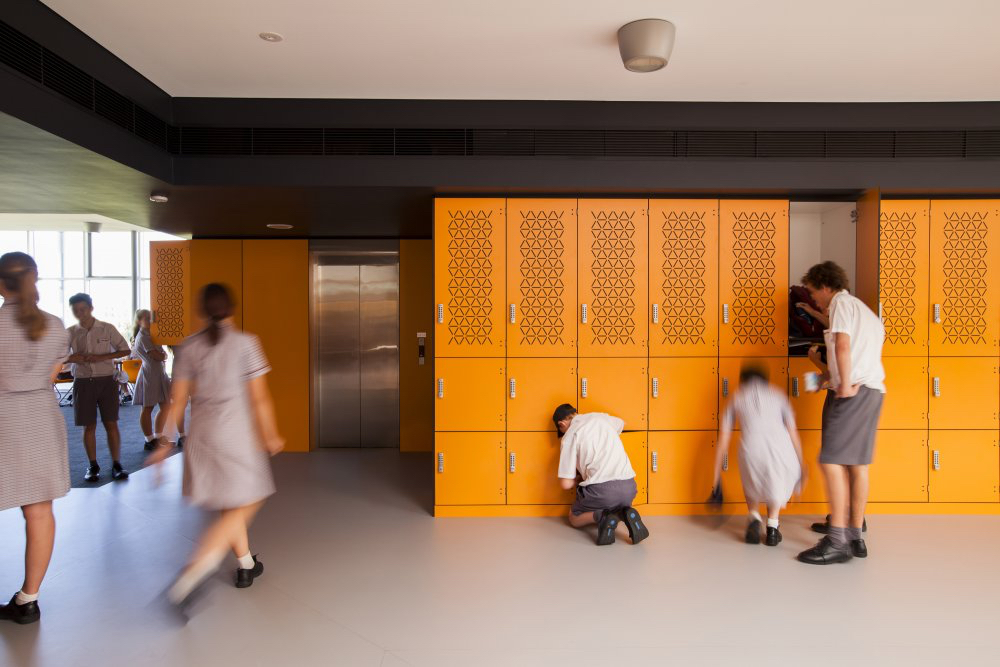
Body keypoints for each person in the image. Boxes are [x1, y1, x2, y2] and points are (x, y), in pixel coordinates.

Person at [146, 283, 284, 609]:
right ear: (232, 309)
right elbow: (260, 397)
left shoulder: (189, 346)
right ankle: (193, 574)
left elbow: (176, 401)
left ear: (202, 310)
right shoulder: (246, 343)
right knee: (247, 502)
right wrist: (272, 434)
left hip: (201, 437)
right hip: (235, 436)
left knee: (230, 502)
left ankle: (246, 564)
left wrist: (164, 443)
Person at [797, 261, 885, 565]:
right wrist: (826, 375)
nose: (813, 299)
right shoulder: (864, 311)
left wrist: (843, 385)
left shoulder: (841, 304)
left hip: (852, 392)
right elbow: (849, 352)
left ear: (824, 286)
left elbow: (843, 346)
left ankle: (837, 541)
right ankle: (854, 532)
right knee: (856, 464)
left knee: (831, 460)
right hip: (872, 391)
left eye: (812, 293)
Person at [0, 253, 71, 625]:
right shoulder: (56, 326)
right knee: (39, 512)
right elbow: (51, 375)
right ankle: (28, 599)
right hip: (40, 419)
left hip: (3, 420)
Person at [714, 366, 807, 547]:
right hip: (781, 447)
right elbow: (793, 431)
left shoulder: (737, 396)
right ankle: (772, 528)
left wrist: (716, 476)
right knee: (775, 481)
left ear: (743, 380)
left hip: (751, 447)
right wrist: (802, 463)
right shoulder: (778, 395)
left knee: (751, 480)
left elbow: (724, 438)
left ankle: (754, 517)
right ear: (765, 379)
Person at [553, 404, 648, 546]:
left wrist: (579, 478)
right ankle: (624, 512)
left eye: (561, 430)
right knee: (614, 502)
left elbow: (565, 484)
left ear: (562, 424)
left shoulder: (570, 435)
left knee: (573, 518)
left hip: (602, 492)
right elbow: (622, 424)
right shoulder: (599, 417)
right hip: (629, 488)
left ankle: (601, 516)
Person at [66, 293, 132, 482]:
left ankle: (117, 464)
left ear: (91, 308)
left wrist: (101, 357)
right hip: (83, 381)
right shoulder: (70, 332)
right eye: (76, 311)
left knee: (111, 422)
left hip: (106, 380)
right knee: (89, 425)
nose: (80, 314)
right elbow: (59, 356)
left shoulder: (106, 328)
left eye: (83, 309)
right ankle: (92, 465)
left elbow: (125, 350)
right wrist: (73, 358)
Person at [130, 309, 171, 451]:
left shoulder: (151, 334)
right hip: (150, 374)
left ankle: (158, 435)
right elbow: (158, 355)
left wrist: (162, 355)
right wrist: (162, 355)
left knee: (166, 406)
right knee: (147, 407)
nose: (150, 320)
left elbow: (163, 354)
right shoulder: (143, 336)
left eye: (150, 318)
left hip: (159, 372)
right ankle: (149, 439)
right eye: (146, 318)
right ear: (139, 321)